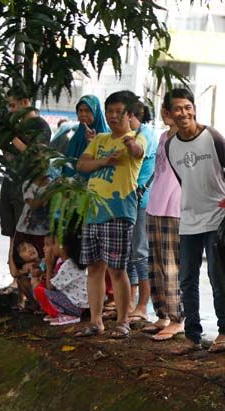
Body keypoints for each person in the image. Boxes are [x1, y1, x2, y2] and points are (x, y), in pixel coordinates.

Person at [164, 88, 225, 354]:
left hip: (217, 217)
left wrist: (216, 193)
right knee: (187, 278)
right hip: (188, 219)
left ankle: (224, 332)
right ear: (169, 113)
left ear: (194, 109)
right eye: (177, 109)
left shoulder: (212, 136)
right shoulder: (170, 145)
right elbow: (182, 179)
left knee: (217, 275)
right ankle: (192, 336)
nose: (183, 113)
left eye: (187, 107)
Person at [74, 91, 146, 339]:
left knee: (117, 269)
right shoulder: (99, 139)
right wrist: (104, 160)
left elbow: (137, 152)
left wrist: (129, 145)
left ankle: (123, 321)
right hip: (92, 211)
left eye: (119, 112)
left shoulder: (136, 138)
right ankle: (95, 321)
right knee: (93, 269)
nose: (113, 116)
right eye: (110, 112)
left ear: (129, 115)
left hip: (118, 213)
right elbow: (81, 165)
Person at [1, 84, 52, 293]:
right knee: (12, 234)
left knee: (27, 240)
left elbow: (36, 154)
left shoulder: (40, 126)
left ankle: (33, 288)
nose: (11, 110)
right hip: (11, 183)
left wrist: (13, 138)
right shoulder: (15, 126)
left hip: (28, 188)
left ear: (24, 103)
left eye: (13, 105)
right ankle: (16, 280)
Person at [144, 93, 184, 341]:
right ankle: (163, 314)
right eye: (167, 108)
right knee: (155, 264)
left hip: (175, 207)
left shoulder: (187, 138)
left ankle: (177, 318)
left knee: (171, 266)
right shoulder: (163, 136)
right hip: (155, 204)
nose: (167, 112)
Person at [127, 100, 157, 323]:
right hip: (130, 201)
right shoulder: (137, 133)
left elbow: (137, 153)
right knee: (130, 253)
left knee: (140, 252)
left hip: (142, 201)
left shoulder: (144, 135)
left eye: (122, 113)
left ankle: (142, 305)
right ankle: (130, 302)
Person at [9, 172, 50, 307]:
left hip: (44, 232)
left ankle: (46, 305)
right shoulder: (28, 183)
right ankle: (31, 304)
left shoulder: (56, 184)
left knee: (47, 271)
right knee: (21, 276)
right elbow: (33, 205)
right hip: (25, 231)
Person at [33, 229, 87, 326]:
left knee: (39, 290)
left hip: (76, 307)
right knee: (41, 286)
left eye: (54, 244)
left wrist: (49, 266)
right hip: (77, 304)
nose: (51, 247)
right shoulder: (63, 262)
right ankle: (61, 312)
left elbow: (50, 287)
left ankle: (66, 315)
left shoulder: (68, 264)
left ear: (62, 246)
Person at [63, 95, 109, 178]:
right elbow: (68, 164)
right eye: (80, 111)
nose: (83, 114)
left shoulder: (105, 137)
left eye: (87, 111)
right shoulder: (77, 136)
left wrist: (92, 144)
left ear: (95, 112)